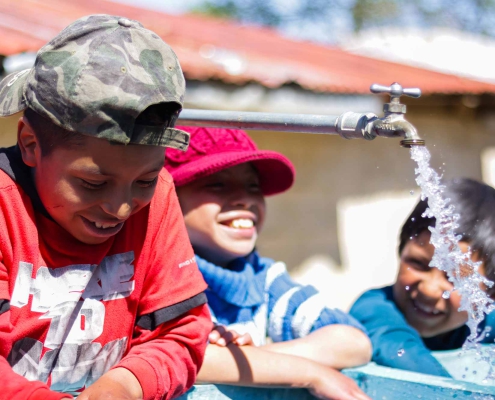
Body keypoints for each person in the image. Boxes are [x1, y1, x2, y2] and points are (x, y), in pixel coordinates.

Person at [0, 15, 211, 400]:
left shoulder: (158, 198)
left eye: (144, 181)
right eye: (93, 183)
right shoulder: (4, 209)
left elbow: (182, 331)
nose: (121, 207)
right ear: (31, 145)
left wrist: (122, 388)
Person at [164, 126, 372, 400]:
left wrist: (247, 358)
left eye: (254, 186)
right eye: (217, 184)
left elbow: (353, 342)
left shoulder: (263, 280)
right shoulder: (156, 277)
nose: (246, 199)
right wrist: (310, 372)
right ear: (169, 197)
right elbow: (174, 358)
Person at [350, 178, 495, 377]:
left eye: (457, 279)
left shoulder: (487, 323)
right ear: (400, 253)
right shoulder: (374, 309)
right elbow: (398, 350)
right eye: (417, 264)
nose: (429, 289)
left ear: (491, 293)